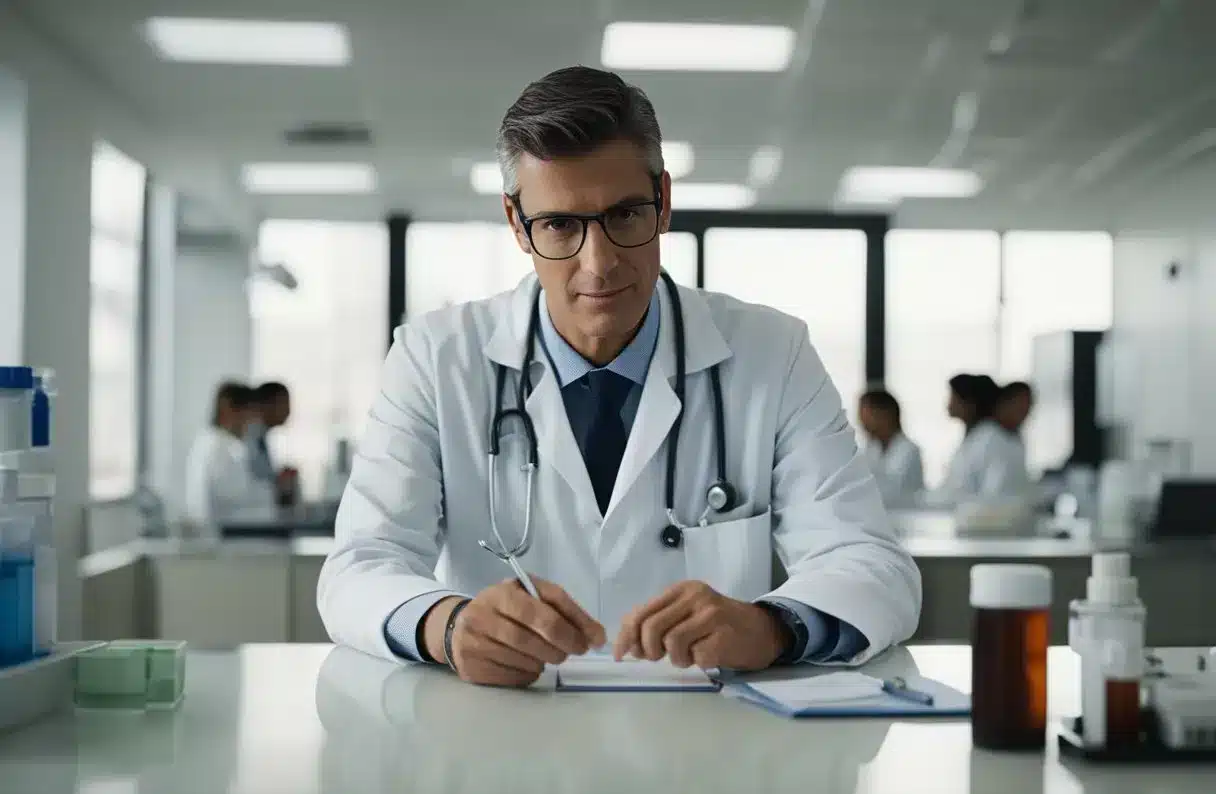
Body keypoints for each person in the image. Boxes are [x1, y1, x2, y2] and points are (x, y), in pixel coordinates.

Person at [318, 66, 920, 687]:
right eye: (559, 225)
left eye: (625, 215)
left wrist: (772, 627)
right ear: (516, 222)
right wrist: (446, 626)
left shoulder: (774, 353)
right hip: (503, 735)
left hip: (707, 744)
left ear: (663, 202)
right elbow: (361, 565)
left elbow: (870, 562)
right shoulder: (434, 358)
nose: (598, 264)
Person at [184, 382, 278, 527]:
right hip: (224, 537)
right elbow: (236, 495)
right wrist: (272, 491)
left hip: (225, 534)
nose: (252, 423)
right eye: (250, 414)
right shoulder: (218, 448)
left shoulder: (217, 443)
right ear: (230, 410)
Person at [935, 373, 1029, 503]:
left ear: (970, 403)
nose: (948, 404)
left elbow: (993, 496)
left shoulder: (991, 438)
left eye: (953, 397)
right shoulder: (975, 436)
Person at [857, 389, 924, 508]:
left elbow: (893, 493)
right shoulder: (871, 449)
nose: (862, 423)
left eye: (867, 415)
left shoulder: (908, 451)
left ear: (885, 415)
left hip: (905, 517)